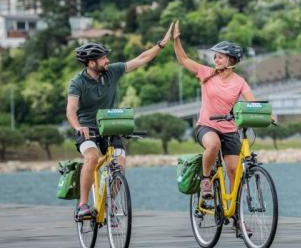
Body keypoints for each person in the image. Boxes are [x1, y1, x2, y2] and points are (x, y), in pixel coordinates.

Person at [67, 26, 172, 219]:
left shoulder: (112, 72)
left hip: (110, 127)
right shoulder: (77, 82)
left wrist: (161, 45)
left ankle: (110, 203)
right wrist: (77, 127)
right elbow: (71, 110)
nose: (107, 60)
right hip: (87, 130)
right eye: (103, 58)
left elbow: (142, 59)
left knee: (120, 167)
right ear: (91, 63)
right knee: (91, 158)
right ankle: (82, 205)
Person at [171, 21, 256, 200]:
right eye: (215, 57)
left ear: (231, 61)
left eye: (220, 57)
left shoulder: (239, 81)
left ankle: (235, 214)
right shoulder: (206, 73)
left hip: (230, 129)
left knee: (234, 172)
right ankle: (206, 180)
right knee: (213, 144)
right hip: (206, 126)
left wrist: (267, 113)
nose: (216, 60)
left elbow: (252, 102)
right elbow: (184, 60)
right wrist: (176, 40)